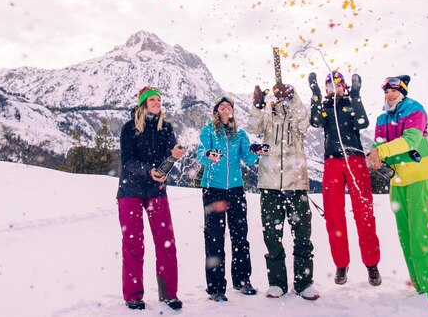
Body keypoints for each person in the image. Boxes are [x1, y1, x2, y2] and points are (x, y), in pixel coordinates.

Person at [367, 75, 428, 307]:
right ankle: (420, 288)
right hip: (397, 182)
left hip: (420, 177)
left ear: (403, 92)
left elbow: (410, 140)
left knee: (424, 235)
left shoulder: (415, 109)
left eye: (394, 91)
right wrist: (374, 155)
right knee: (407, 238)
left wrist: (380, 152)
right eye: (386, 92)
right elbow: (378, 143)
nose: (389, 95)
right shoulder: (382, 117)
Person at [308, 70, 382, 286]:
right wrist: (314, 93)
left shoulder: (350, 104)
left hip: (355, 160)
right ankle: (341, 264)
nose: (334, 87)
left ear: (344, 86)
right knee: (333, 214)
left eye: (337, 84)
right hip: (332, 163)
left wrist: (356, 94)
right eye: (329, 85)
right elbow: (315, 121)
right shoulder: (325, 108)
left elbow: (362, 122)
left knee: (364, 212)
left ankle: (372, 264)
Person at [247, 82, 319, 301]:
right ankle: (277, 282)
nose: (280, 100)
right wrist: (258, 106)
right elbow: (253, 127)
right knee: (272, 237)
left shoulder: (296, 122)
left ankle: (304, 283)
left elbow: (304, 121)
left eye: (284, 96)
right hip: (269, 186)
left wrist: (293, 96)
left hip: (296, 185)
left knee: (303, 237)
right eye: (277, 97)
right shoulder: (268, 119)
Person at [117, 86, 185, 311]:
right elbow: (127, 161)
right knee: (133, 243)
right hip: (130, 190)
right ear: (143, 103)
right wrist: (148, 170)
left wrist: (173, 156)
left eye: (159, 100)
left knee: (166, 242)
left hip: (156, 189)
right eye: (152, 99)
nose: (157, 102)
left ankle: (169, 295)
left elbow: (168, 158)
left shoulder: (165, 128)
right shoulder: (129, 128)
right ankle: (133, 296)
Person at [197, 95, 264, 302]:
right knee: (215, 238)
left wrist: (256, 151)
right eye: (222, 106)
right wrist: (209, 155)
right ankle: (216, 288)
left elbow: (249, 158)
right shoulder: (208, 131)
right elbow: (200, 154)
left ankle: (242, 280)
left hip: (235, 190)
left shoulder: (240, 134)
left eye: (228, 106)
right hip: (213, 190)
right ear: (216, 111)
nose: (226, 108)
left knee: (239, 236)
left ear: (232, 111)